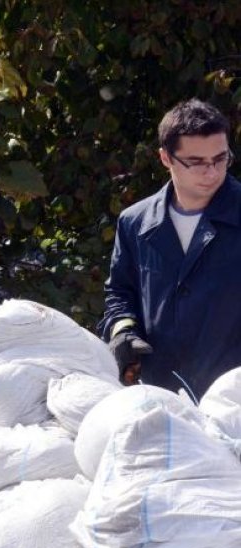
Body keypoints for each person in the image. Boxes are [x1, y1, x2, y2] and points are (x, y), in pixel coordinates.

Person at [101, 98, 241, 399]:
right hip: (161, 396)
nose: (212, 172)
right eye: (196, 162)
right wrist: (123, 331)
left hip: (233, 400)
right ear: (166, 158)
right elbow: (120, 293)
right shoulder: (134, 223)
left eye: (220, 158)